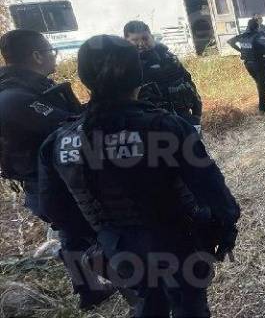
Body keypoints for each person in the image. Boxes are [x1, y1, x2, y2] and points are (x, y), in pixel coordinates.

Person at [38, 35, 240, 317]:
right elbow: (212, 189)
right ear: (138, 75)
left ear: (83, 78)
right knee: (189, 307)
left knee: (147, 303)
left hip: (118, 248)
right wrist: (225, 227)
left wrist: (101, 238)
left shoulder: (61, 140)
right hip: (178, 243)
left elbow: (53, 209)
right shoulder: (166, 127)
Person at [0, 30, 114, 310]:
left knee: (71, 233)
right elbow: (68, 125)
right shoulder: (15, 98)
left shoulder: (25, 89)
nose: (54, 56)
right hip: (50, 181)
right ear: (37, 55)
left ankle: (89, 290)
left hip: (52, 179)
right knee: (95, 232)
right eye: (51, 51)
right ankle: (134, 286)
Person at [123, 21, 203, 130]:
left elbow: (189, 84)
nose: (141, 43)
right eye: (135, 40)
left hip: (185, 120)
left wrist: (196, 115)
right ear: (126, 41)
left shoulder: (170, 59)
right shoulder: (125, 68)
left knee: (194, 146)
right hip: (151, 126)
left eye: (145, 38)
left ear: (151, 37)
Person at [227, 15, 265, 113]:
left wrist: (240, 50)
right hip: (258, 63)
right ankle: (262, 108)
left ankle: (264, 102)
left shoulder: (243, 36)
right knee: (261, 84)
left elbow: (230, 41)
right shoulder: (257, 36)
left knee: (260, 82)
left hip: (248, 64)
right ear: (256, 26)